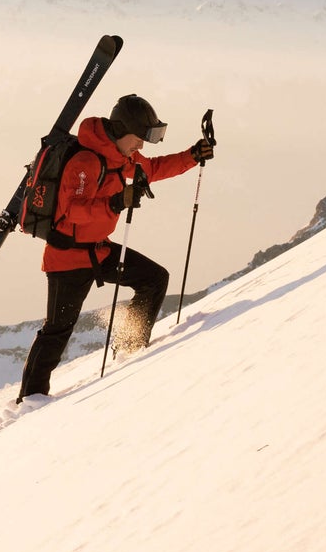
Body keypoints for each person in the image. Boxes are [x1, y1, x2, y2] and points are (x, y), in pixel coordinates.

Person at [18, 93, 217, 402]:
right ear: (121, 131)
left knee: (154, 279)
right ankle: (30, 398)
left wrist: (193, 155)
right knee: (57, 331)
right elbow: (72, 210)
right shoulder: (85, 162)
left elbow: (152, 169)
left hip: (100, 250)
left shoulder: (121, 156)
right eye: (138, 139)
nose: (140, 146)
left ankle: (130, 349)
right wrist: (114, 201)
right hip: (68, 260)